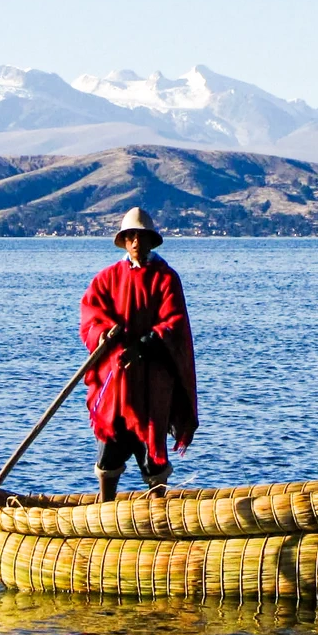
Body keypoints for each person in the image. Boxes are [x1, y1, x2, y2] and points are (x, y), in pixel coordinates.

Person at [79, 207, 198, 501]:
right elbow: (90, 316)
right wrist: (103, 334)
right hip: (116, 380)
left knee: (151, 448)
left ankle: (158, 512)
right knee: (110, 445)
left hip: (151, 382)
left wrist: (144, 344)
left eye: (140, 237)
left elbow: (174, 323)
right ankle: (104, 510)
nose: (135, 242)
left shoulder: (166, 278)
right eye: (130, 236)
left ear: (150, 241)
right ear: (124, 241)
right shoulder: (107, 278)